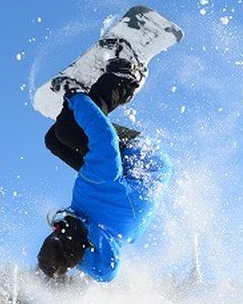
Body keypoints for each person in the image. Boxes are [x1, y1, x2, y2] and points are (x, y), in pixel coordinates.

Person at [38, 59, 171, 282]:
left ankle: (77, 105)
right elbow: (104, 137)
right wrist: (75, 95)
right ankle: (122, 81)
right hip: (143, 160)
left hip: (122, 190)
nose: (56, 226)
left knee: (54, 140)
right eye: (59, 230)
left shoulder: (90, 249)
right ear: (71, 233)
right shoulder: (101, 186)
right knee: (68, 131)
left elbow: (104, 271)